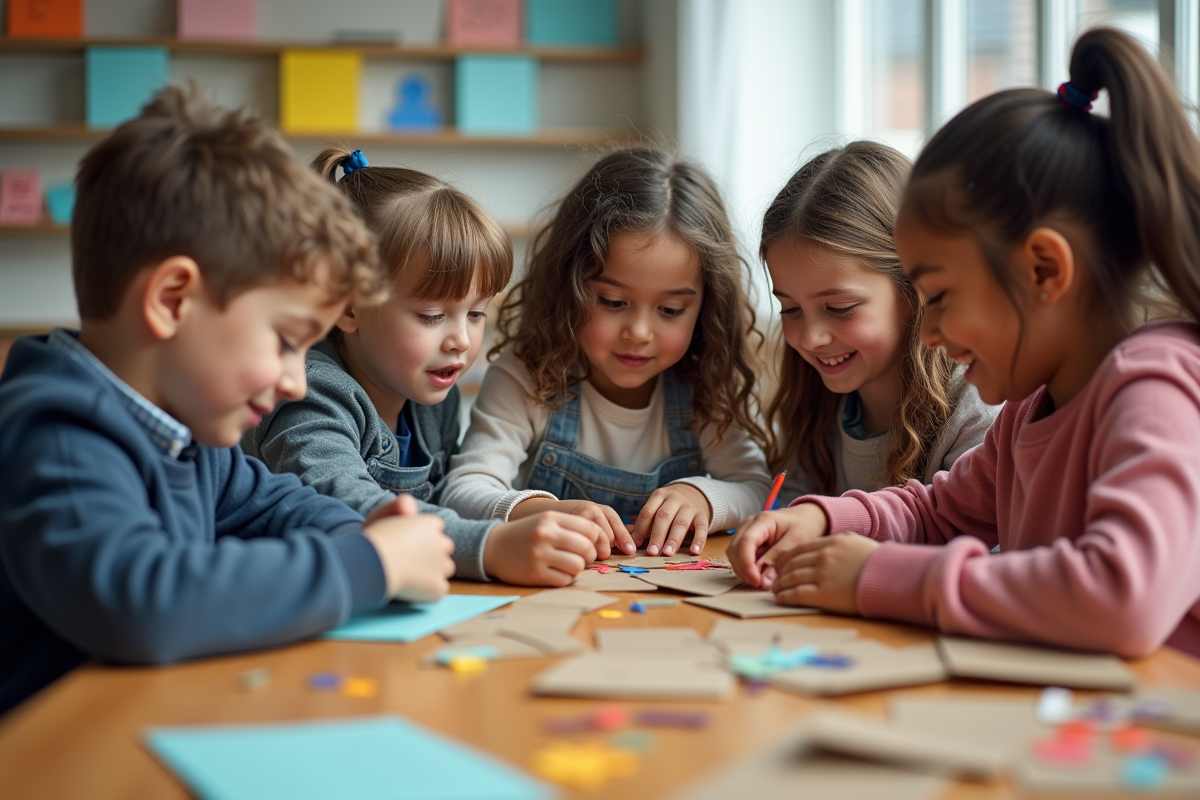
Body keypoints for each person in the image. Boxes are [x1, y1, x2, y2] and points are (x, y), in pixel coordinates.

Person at [730, 28, 1200, 657]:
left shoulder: (1155, 387)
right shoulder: (1031, 411)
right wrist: (823, 518)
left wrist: (880, 577)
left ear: (1044, 271)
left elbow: (1122, 597)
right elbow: (936, 513)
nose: (926, 333)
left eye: (942, 298)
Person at [0, 87, 454, 716]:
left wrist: (370, 530)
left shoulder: (185, 434)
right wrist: (370, 562)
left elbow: (283, 506)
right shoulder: (60, 434)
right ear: (172, 301)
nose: (297, 380)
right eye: (286, 341)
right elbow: (141, 604)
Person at [244, 149, 609, 586]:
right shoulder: (308, 391)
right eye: (432, 316)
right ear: (346, 306)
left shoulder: (433, 396)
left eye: (476, 314)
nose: (461, 340)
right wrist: (490, 546)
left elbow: (440, 501)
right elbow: (345, 504)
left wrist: (535, 510)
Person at [442, 147, 771, 559]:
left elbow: (756, 486)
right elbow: (464, 489)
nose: (638, 332)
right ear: (570, 288)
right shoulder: (526, 376)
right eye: (613, 302)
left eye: (670, 310)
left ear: (707, 308)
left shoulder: (707, 382)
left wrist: (703, 496)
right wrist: (546, 511)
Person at [760, 141, 997, 529]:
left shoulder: (979, 405)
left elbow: (982, 547)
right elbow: (788, 501)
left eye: (839, 308)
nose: (811, 338)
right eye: (790, 309)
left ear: (916, 289)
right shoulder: (815, 398)